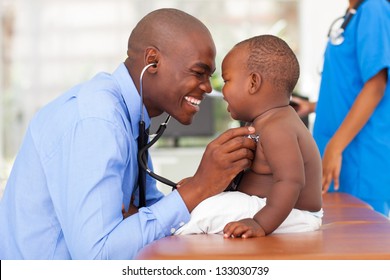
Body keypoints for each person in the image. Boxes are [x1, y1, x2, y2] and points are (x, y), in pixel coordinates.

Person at [0, 8, 257, 259]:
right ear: (153, 61)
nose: (206, 86)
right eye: (198, 72)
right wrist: (199, 187)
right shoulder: (97, 122)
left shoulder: (131, 118)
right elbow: (98, 255)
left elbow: (144, 216)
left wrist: (199, 191)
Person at [175, 35, 323, 238]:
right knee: (204, 203)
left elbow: (291, 182)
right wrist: (200, 186)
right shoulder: (260, 123)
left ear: (253, 82)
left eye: (227, 80)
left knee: (206, 212)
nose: (221, 90)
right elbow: (242, 174)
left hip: (290, 213)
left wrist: (260, 223)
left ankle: (162, 231)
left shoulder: (278, 128)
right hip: (269, 207)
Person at [291, 0, 390, 216]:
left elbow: (376, 86)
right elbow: (350, 87)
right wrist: (312, 106)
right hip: (339, 153)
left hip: (359, 156)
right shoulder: (353, 14)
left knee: (363, 241)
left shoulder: (374, 8)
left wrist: (335, 148)